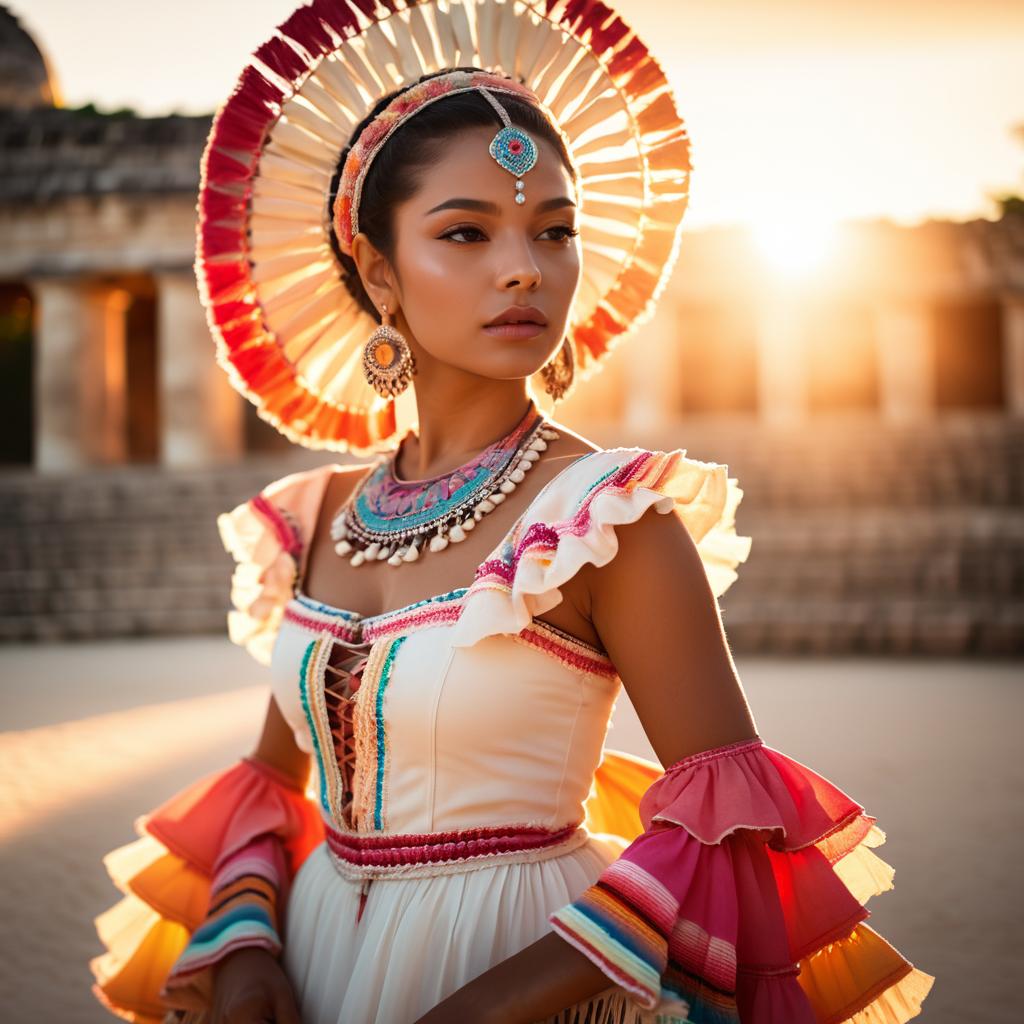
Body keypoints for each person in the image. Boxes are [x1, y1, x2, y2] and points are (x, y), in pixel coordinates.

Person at [90, 3, 935, 1022]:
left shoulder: (609, 523)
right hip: (312, 964)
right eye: (464, 232)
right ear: (376, 271)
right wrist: (248, 946)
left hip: (532, 968)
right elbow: (273, 787)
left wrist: (488, 1004)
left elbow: (726, 823)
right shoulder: (308, 519)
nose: (524, 267)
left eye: (554, 230)